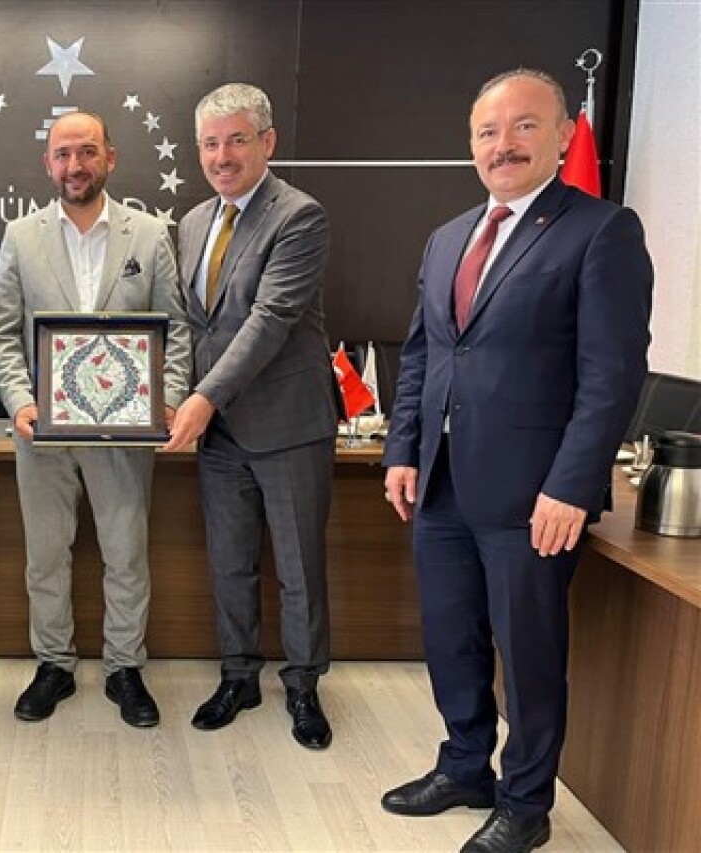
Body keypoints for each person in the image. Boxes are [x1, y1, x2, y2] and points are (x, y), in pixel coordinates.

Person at [379, 69, 652, 853]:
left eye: (524, 126)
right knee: (450, 636)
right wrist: (403, 449)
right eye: (488, 132)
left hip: (534, 496)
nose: (504, 144)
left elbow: (612, 374)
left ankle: (526, 802)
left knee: (528, 654)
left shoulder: (600, 230)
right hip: (440, 484)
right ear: (471, 145)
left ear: (563, 135)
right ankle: (465, 764)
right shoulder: (448, 237)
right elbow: (424, 354)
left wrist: (572, 482)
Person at [0, 111, 191, 727]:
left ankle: (125, 667)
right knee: (46, 556)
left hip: (125, 431)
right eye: (63, 154)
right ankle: (54, 664)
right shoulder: (21, 236)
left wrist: (168, 400)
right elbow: (1, 335)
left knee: (126, 554)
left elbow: (176, 329)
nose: (75, 165)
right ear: (48, 163)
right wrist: (20, 401)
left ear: (110, 158)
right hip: (42, 433)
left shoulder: (149, 235)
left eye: (87, 152)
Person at [164, 83, 338, 750]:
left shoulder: (299, 215)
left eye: (237, 139)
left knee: (299, 568)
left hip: (288, 426)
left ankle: (304, 686)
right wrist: (171, 394)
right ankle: (238, 676)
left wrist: (202, 398)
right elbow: (191, 323)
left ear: (267, 141)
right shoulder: (191, 222)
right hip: (220, 432)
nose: (222, 156)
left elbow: (270, 319)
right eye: (210, 143)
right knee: (230, 563)